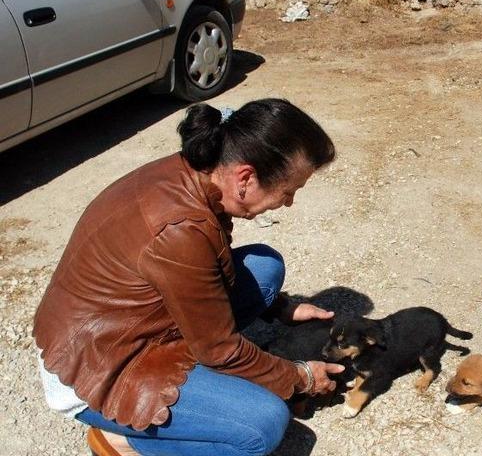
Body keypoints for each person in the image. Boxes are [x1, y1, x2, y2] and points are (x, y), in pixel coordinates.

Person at [32, 98, 344, 456]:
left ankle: (198, 388)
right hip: (97, 365)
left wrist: (278, 307)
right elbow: (221, 351)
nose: (288, 203)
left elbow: (202, 273)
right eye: (288, 191)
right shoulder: (181, 230)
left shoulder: (198, 169)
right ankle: (123, 441)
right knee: (263, 425)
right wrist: (300, 377)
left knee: (265, 267)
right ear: (245, 177)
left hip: (130, 323)